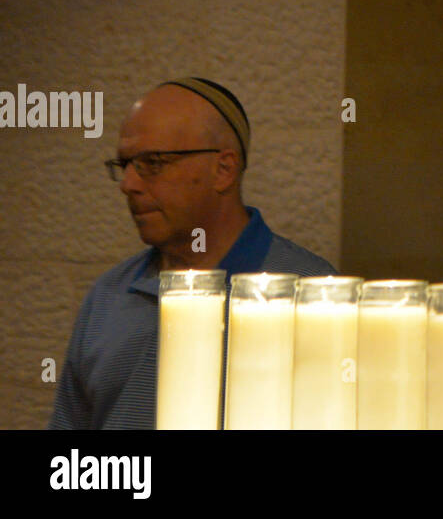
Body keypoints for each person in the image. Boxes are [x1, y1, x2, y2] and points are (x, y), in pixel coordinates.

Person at [49, 77, 334, 429]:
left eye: (153, 163)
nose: (129, 184)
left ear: (223, 169)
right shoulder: (108, 296)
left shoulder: (315, 296)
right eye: (125, 166)